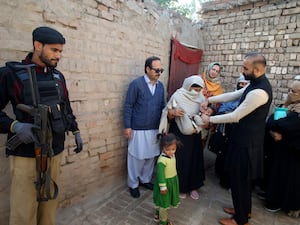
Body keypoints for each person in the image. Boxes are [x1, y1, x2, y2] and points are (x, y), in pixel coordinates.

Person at [0, 26, 83, 225]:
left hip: (54, 150)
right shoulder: (10, 74)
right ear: (38, 45)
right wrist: (15, 127)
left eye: (60, 51)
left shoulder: (57, 77)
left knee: (49, 207)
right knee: (24, 210)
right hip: (26, 155)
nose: (58, 55)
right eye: (54, 50)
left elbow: (66, 109)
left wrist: (75, 130)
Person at [201, 52, 272, 225]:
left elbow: (236, 115)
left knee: (240, 180)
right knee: (242, 181)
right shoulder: (254, 84)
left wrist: (209, 119)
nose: (242, 70)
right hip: (243, 141)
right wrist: (209, 99)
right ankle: (244, 211)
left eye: (245, 68)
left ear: (256, 69)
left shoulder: (260, 92)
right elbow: (234, 95)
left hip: (246, 144)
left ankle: (240, 220)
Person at [123, 56, 165, 198]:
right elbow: (128, 105)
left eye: (161, 70)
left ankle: (145, 180)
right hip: (138, 128)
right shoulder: (136, 84)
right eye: (156, 70)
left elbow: (162, 106)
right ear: (147, 69)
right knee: (136, 157)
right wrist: (128, 126)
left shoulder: (160, 86)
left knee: (150, 157)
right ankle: (133, 184)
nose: (159, 73)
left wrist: (163, 125)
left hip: (154, 128)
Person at [159, 75, 206, 200]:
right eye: (194, 88)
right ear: (187, 86)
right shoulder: (177, 96)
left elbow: (204, 112)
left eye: (198, 89)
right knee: (181, 161)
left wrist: (203, 114)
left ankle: (193, 187)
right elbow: (167, 113)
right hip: (179, 134)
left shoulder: (201, 98)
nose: (196, 91)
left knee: (194, 160)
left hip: (194, 134)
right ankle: (181, 187)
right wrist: (173, 113)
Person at [263, 79, 300, 217]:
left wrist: (276, 127)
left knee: (286, 180)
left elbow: (283, 125)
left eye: (294, 92)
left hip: (293, 154)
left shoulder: (297, 112)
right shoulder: (290, 107)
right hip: (281, 150)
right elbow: (272, 120)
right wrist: (273, 131)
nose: (290, 94)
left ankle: (278, 203)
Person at [214, 75, 249, 189]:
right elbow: (222, 109)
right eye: (241, 83)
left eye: (245, 84)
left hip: (238, 131)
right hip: (226, 129)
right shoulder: (232, 96)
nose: (242, 86)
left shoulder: (248, 99)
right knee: (223, 152)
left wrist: (232, 114)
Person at [153, 133, 181, 225]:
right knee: (163, 204)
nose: (171, 152)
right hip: (164, 184)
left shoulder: (172, 156)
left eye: (173, 149)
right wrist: (163, 187)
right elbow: (160, 175)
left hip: (172, 181)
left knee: (161, 201)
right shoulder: (162, 161)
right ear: (162, 148)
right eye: (167, 149)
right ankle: (163, 222)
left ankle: (157, 215)